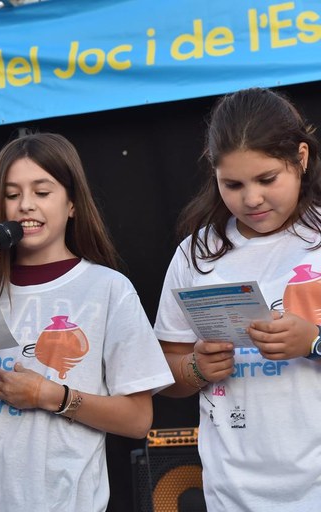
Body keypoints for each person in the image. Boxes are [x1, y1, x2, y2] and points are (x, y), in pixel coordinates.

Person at [0, 132, 174, 511]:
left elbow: (138, 419)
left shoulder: (107, 289)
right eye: (12, 194)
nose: (26, 205)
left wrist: (50, 396)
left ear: (72, 203)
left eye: (42, 192)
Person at [154, 87, 321, 510]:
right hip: (232, 492)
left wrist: (313, 342)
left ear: (301, 157)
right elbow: (163, 372)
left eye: (267, 179)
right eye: (233, 184)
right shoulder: (196, 253)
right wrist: (195, 368)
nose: (252, 198)